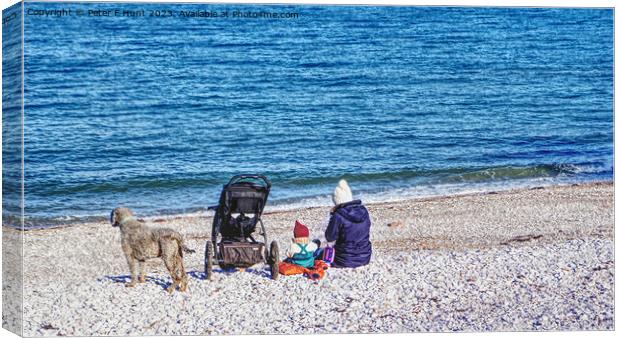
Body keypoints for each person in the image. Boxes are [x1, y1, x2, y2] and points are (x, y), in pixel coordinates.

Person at [324, 179, 372, 268]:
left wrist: (332, 218)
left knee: (320, 254)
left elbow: (330, 237)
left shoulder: (338, 215)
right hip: (365, 257)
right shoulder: (363, 211)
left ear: (337, 202)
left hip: (345, 259)